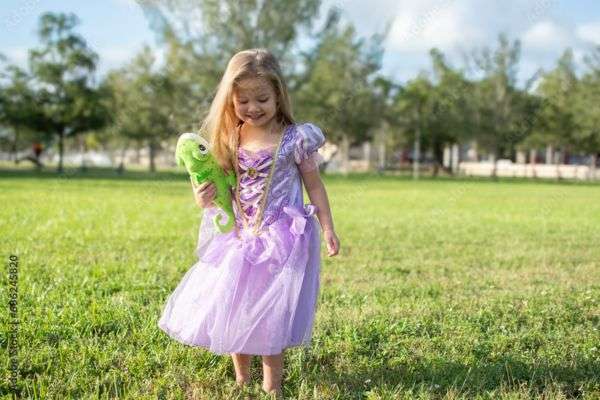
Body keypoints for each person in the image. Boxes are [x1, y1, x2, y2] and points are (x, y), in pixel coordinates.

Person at [157, 48, 340, 397]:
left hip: (279, 238)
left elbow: (315, 186)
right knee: (234, 303)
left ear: (278, 95)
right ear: (230, 100)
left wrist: (328, 227)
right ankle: (242, 379)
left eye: (262, 99)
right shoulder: (231, 137)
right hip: (240, 237)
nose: (253, 107)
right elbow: (220, 188)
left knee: (271, 311)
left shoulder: (295, 139)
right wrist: (202, 198)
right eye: (243, 101)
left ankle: (272, 386)